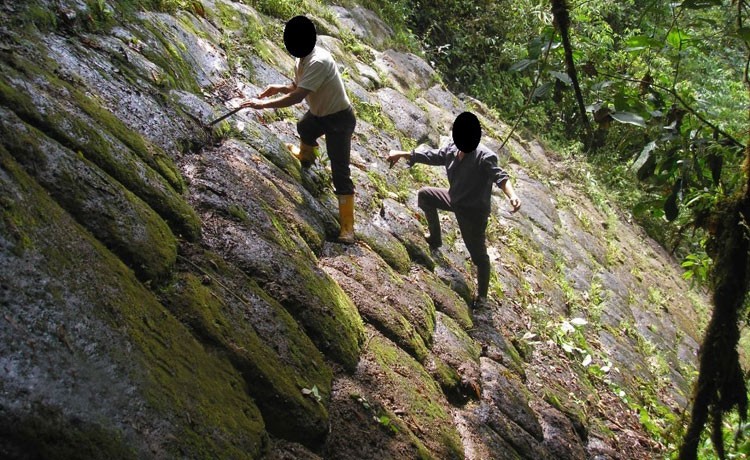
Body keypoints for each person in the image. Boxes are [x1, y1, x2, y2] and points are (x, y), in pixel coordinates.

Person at [241, 15, 357, 244]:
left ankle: (348, 227)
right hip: (320, 114)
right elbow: (298, 86)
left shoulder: (319, 60)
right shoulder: (302, 59)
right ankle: (306, 157)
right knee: (305, 126)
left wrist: (263, 105)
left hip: (339, 119)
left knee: (340, 171)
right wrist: (277, 87)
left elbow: (297, 97)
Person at [386, 112, 521, 308]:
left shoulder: (485, 157)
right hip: (454, 197)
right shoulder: (452, 148)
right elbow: (432, 156)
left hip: (472, 213)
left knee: (478, 256)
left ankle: (483, 298)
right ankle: (435, 238)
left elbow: (501, 177)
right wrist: (403, 153)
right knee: (425, 195)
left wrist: (512, 195)